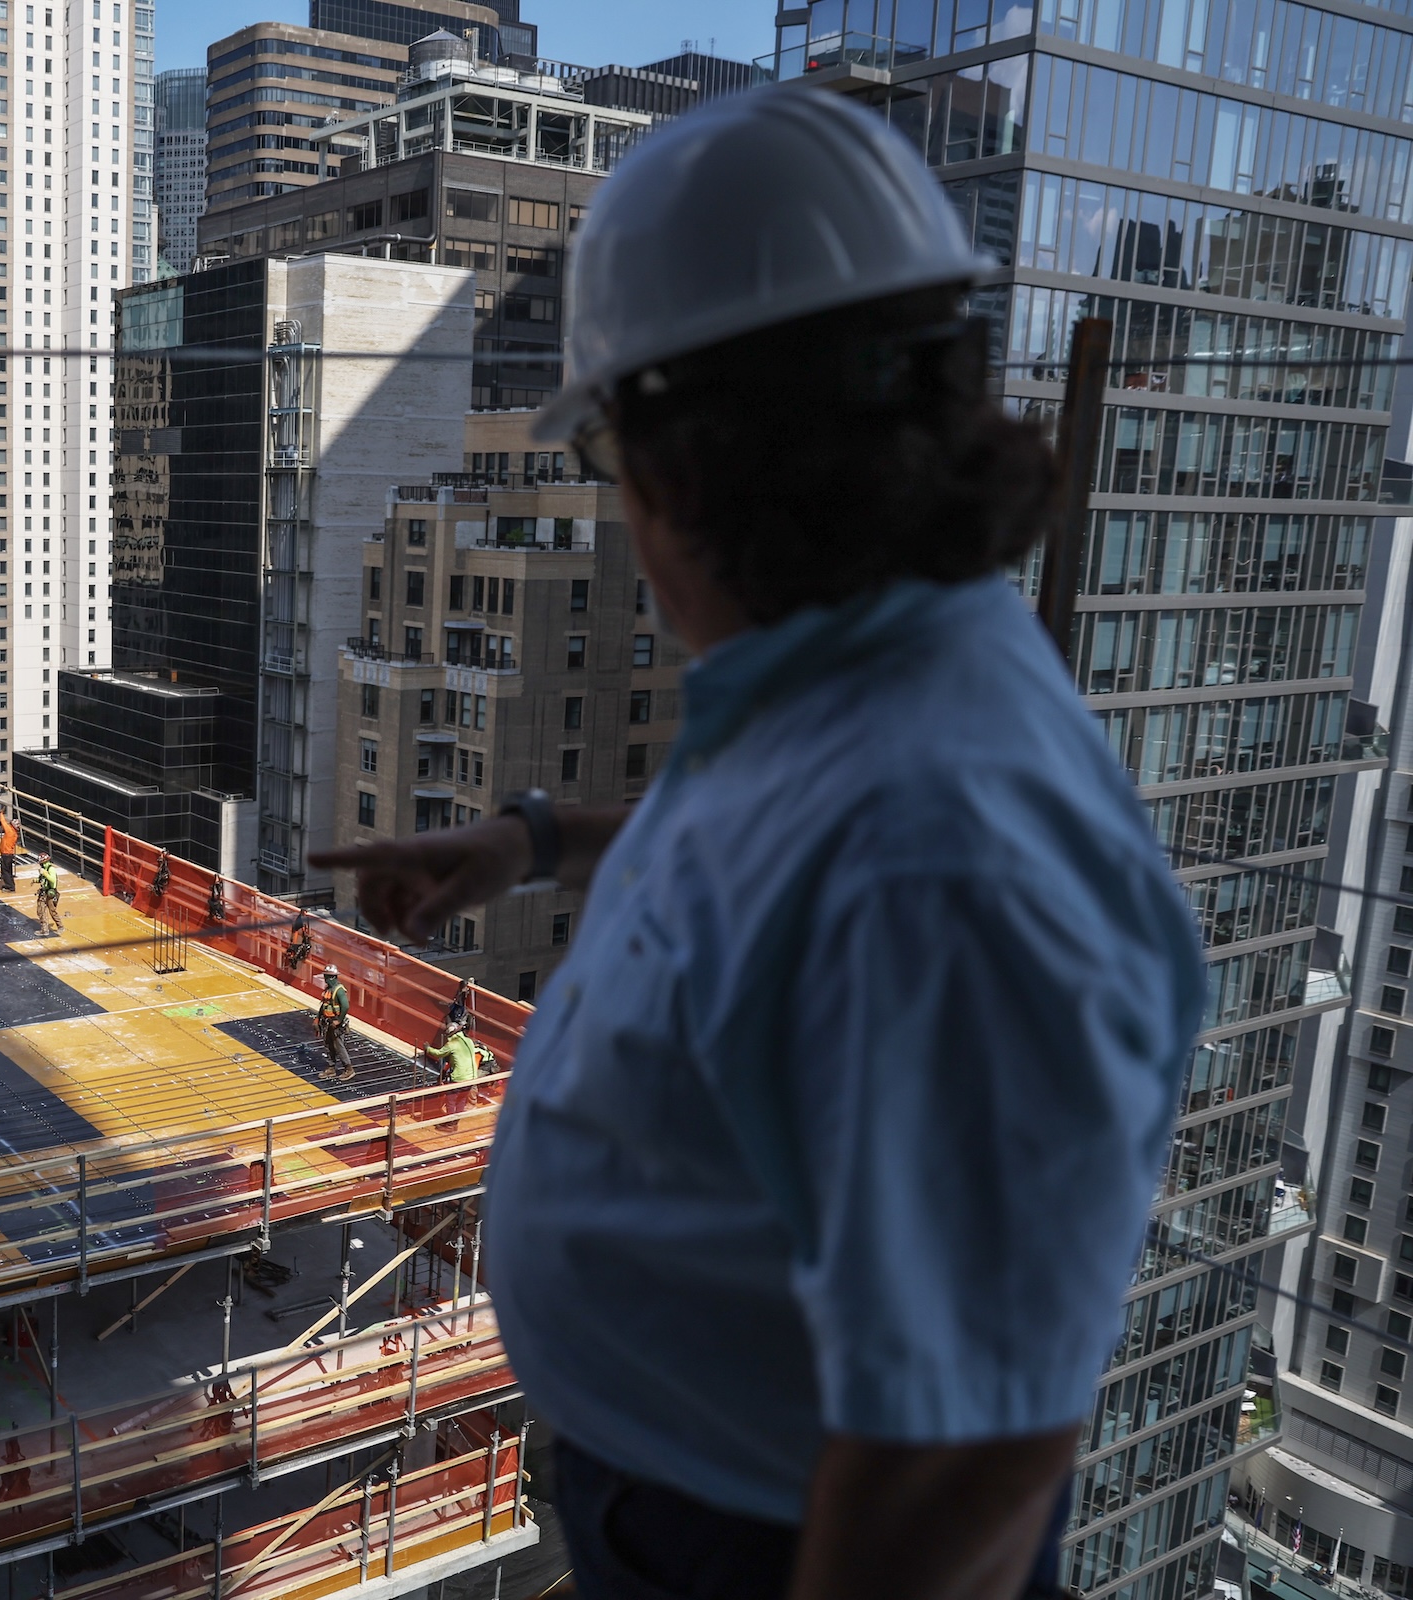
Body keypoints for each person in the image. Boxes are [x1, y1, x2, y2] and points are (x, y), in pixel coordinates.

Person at [308, 88, 1207, 1600]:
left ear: (690, 465)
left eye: (608, 459)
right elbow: (772, 860)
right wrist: (537, 842)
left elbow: (966, 1457)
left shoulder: (948, 849)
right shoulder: (863, 671)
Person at [419, 1021, 481, 1131]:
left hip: (459, 1078)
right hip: (471, 1077)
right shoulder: (469, 1041)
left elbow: (438, 1054)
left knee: (450, 1100)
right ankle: (455, 1123)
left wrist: (428, 1048)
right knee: (461, 1100)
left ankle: (450, 1125)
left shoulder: (452, 1044)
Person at [314, 967, 351, 1082]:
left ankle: (348, 1069)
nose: (325, 979)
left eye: (327, 976)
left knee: (338, 1046)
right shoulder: (328, 989)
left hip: (336, 1024)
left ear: (333, 977)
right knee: (328, 1045)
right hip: (327, 1022)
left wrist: (339, 1021)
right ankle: (331, 1068)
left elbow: (345, 1006)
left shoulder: (338, 990)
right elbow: (324, 1005)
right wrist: (317, 1018)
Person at [0, 813, 20, 891]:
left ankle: (10, 887)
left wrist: (1, 814)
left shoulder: (10, 831)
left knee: (5, 871)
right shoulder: (14, 833)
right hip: (9, 854)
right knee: (8, 871)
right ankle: (11, 885)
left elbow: (4, 823)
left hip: (6, 854)